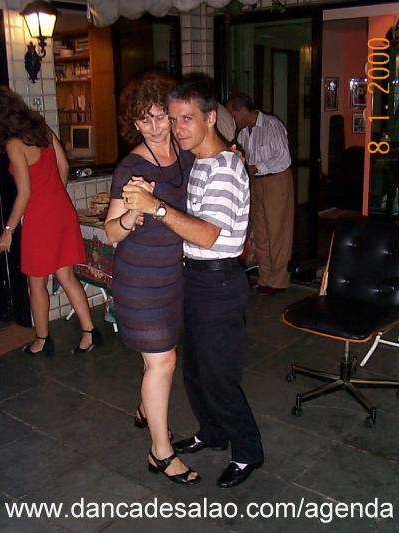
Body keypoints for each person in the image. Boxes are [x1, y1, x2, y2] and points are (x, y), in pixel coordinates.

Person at [123, 77, 264, 489]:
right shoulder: (199, 160)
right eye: (173, 119)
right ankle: (212, 431)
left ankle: (247, 450)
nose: (177, 128)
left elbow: (207, 235)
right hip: (195, 279)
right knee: (196, 372)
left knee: (219, 376)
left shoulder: (224, 168)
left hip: (218, 282)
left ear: (210, 117)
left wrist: (156, 208)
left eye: (187, 119)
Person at [104, 74, 200, 485]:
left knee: (159, 359)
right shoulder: (131, 167)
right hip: (140, 279)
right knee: (164, 361)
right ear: (135, 123)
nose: (156, 127)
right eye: (145, 120)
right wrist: (131, 213)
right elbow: (111, 232)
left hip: (173, 275)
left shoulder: (184, 153)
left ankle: (148, 408)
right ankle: (160, 452)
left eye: (161, 116)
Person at [0, 86, 102, 356]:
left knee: (36, 284)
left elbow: (24, 193)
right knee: (66, 276)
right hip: (61, 209)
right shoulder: (40, 128)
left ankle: (42, 340)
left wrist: (8, 229)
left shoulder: (13, 144)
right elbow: (63, 167)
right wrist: (54, 195)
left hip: (40, 217)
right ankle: (89, 333)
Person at [226, 93, 294, 296]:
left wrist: (255, 167)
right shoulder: (243, 134)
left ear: (242, 110)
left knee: (278, 232)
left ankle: (279, 281)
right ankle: (265, 278)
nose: (232, 120)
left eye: (233, 115)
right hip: (255, 183)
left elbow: (283, 157)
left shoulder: (272, 125)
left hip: (276, 180)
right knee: (261, 232)